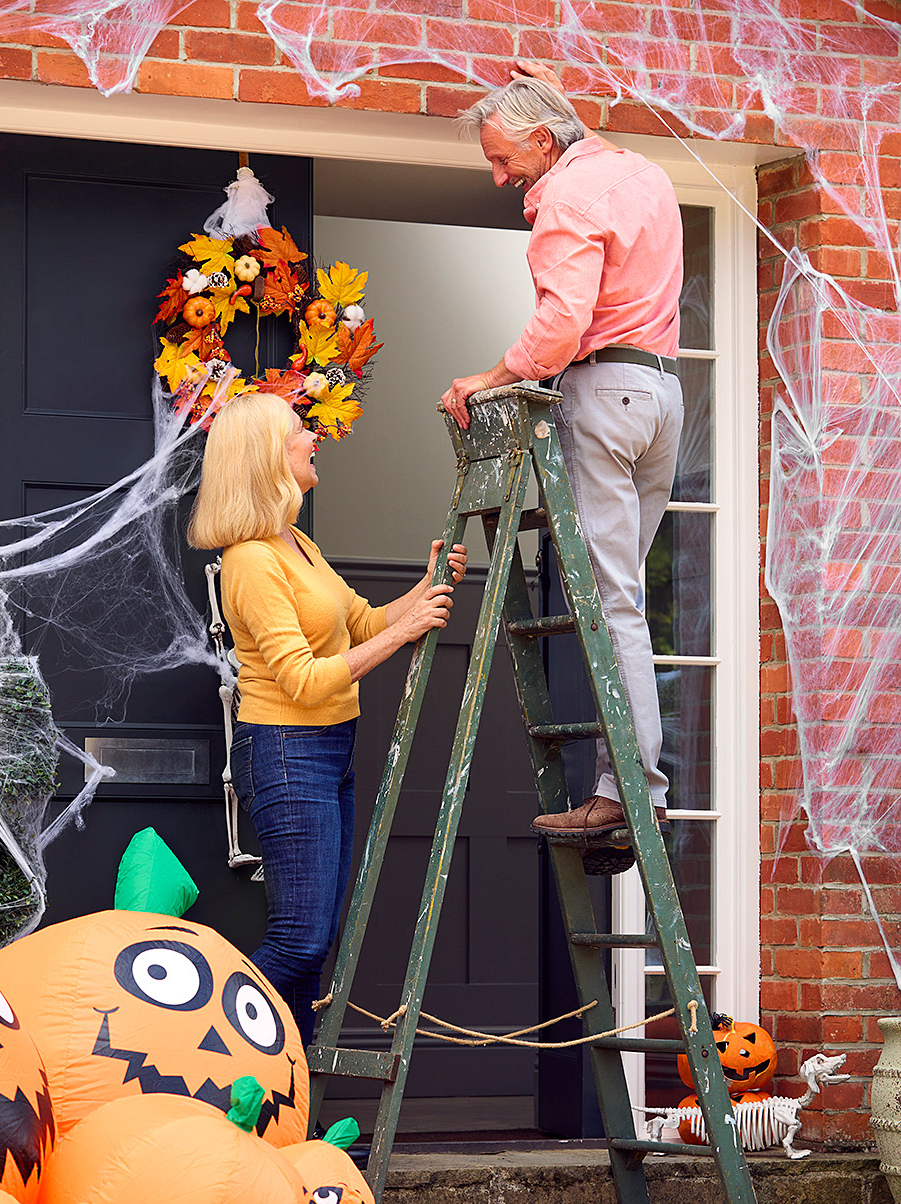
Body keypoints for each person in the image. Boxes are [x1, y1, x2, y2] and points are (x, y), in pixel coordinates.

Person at [440, 69, 684, 836]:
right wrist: (561, 100)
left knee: (610, 605)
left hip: (602, 393)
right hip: (661, 400)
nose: (499, 175)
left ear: (545, 141)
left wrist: (487, 376)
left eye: (505, 158)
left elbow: (561, 326)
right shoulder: (642, 175)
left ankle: (631, 793)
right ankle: (627, 791)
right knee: (623, 601)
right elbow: (587, 148)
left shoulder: (566, 199)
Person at [187, 393, 467, 1045]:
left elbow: (362, 622)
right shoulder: (252, 560)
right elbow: (304, 682)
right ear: (268, 459)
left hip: (330, 749)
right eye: (298, 432)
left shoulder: (298, 544)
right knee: (299, 938)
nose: (314, 438)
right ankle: (200, 1050)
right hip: (286, 749)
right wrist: (407, 635)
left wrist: (424, 589)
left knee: (319, 944)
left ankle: (292, 1109)